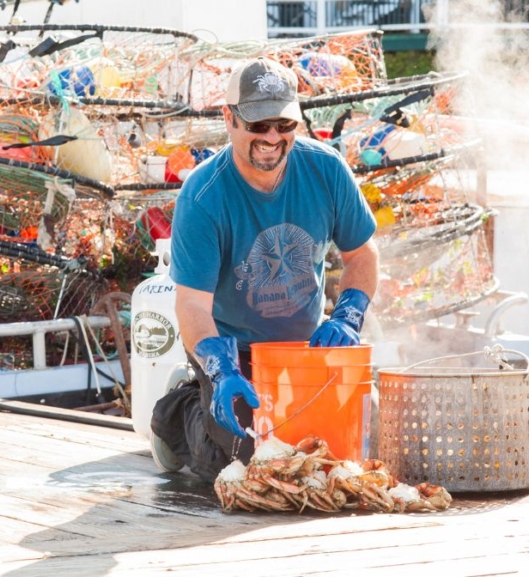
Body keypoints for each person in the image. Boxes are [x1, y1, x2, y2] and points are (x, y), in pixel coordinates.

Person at [150, 57, 380, 482]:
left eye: (284, 124)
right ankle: (182, 409)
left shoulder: (327, 169)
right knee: (246, 461)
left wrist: (348, 313)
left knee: (351, 443)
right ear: (229, 119)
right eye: (257, 125)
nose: (272, 137)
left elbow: (362, 255)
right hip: (229, 350)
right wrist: (219, 368)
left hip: (304, 347)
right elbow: (193, 306)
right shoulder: (203, 195)